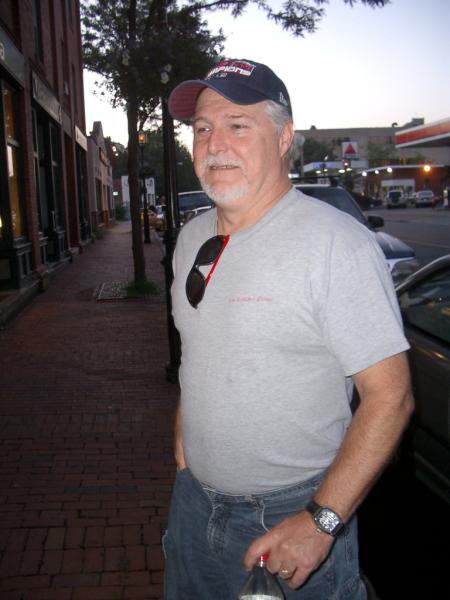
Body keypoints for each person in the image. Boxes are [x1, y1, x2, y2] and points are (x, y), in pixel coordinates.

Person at [164, 58, 414, 599]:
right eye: (202, 129)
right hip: (193, 504)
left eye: (237, 125)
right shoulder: (192, 238)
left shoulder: (336, 245)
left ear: (283, 138)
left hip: (290, 512)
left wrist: (321, 521)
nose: (214, 144)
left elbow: (390, 398)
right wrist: (187, 429)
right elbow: (201, 348)